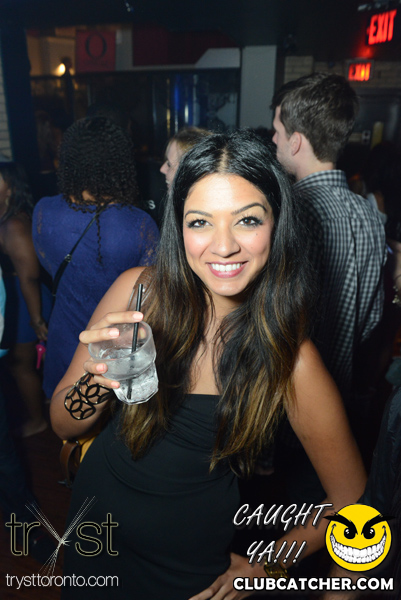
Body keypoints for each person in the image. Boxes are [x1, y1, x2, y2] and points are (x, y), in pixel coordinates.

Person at [51, 131, 366, 600]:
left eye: (247, 220)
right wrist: (99, 379)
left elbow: (354, 503)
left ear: (277, 224)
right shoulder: (140, 292)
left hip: (186, 571)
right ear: (179, 227)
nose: (223, 246)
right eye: (200, 222)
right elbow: (64, 424)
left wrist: (267, 565)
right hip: (95, 537)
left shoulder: (291, 359)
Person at [271, 73, 386, 406]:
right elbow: (372, 318)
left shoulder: (293, 212)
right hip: (340, 392)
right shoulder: (369, 213)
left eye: (278, 131)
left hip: (289, 396)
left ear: (295, 141)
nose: (274, 140)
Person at [32, 116, 159, 400]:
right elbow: (151, 295)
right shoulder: (139, 224)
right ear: (120, 163)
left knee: (67, 409)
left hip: (65, 335)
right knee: (114, 419)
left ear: (69, 159)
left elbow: (48, 266)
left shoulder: (43, 211)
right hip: (115, 348)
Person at [0, 162, 51, 437]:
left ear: (10, 189)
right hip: (18, 297)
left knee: (21, 364)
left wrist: (36, 319)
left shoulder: (14, 224)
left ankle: (37, 420)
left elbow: (29, 277)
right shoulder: (7, 218)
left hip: (25, 300)